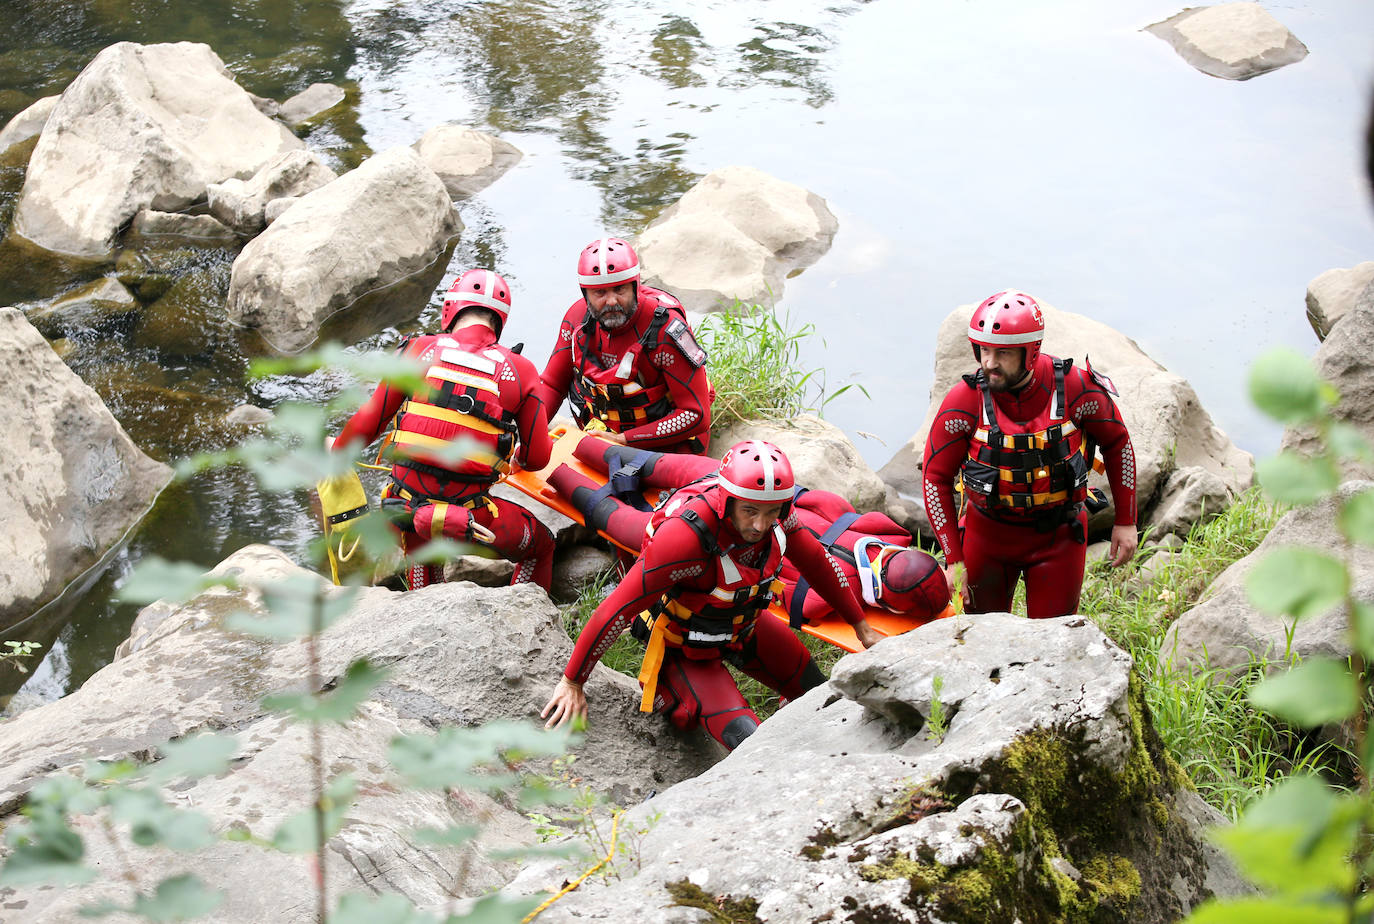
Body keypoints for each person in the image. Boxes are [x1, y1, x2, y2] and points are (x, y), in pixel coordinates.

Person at [541, 440, 884, 750]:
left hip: (745, 627)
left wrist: (861, 626)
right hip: (683, 646)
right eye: (749, 511)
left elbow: (818, 565)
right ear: (727, 501)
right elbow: (615, 612)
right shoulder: (683, 539)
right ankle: (562, 467)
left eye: (771, 512)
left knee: (825, 698)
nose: (761, 526)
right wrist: (572, 681)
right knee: (751, 742)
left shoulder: (780, 514)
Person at [546, 435, 951, 626]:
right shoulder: (824, 598)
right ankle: (560, 476)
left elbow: (825, 503)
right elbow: (786, 599)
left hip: (733, 489)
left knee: (645, 463)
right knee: (619, 520)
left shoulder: (874, 530)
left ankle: (572, 452)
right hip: (703, 529)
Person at [332, 269, 555, 591]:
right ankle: (533, 616)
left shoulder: (416, 349)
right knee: (542, 546)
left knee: (420, 532)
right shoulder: (519, 371)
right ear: (499, 321)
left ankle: (424, 594)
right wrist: (517, 456)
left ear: (450, 309)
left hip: (403, 511)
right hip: (472, 521)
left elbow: (365, 427)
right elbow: (537, 458)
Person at [921, 290, 1138, 619]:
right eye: (983, 350)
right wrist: (953, 558)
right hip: (986, 538)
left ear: (1032, 351)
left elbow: (1118, 443)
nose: (989, 363)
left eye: (1002, 353)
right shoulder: (963, 401)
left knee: (1055, 640)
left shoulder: (1079, 389)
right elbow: (935, 478)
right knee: (984, 642)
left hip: (1060, 538)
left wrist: (1126, 521)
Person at [536, 237, 713, 454]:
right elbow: (553, 384)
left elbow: (696, 414)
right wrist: (529, 433)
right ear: (586, 293)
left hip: (667, 450)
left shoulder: (666, 330)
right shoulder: (576, 320)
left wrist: (622, 439)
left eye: (619, 289)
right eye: (600, 293)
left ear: (635, 286)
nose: (611, 301)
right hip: (601, 440)